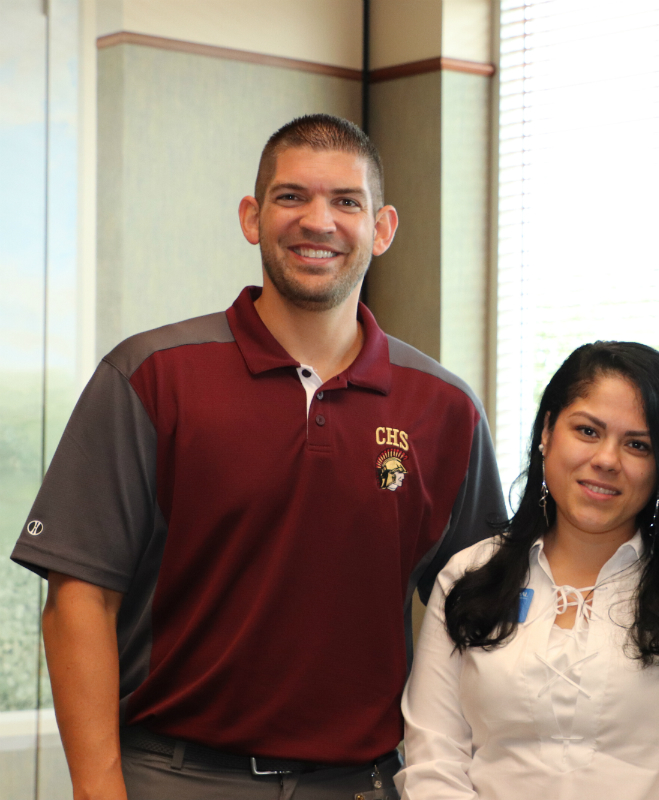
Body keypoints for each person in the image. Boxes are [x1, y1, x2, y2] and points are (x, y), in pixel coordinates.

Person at [11, 114, 505, 800]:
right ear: (253, 216)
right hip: (171, 775)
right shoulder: (151, 376)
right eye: (291, 196)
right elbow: (78, 602)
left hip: (364, 782)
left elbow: (482, 620)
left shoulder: (445, 409)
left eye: (346, 202)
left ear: (383, 228)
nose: (319, 221)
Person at [396, 342, 659, 799]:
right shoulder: (468, 577)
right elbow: (434, 763)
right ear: (547, 430)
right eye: (588, 431)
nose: (607, 460)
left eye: (637, 444)